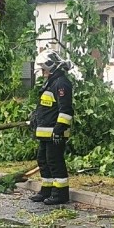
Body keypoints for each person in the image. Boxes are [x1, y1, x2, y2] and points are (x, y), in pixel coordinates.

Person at [29, 50, 74, 205]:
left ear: (51, 67)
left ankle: (60, 193)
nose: (43, 72)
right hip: (46, 132)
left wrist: (59, 129)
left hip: (55, 132)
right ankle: (47, 189)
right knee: (43, 160)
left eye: (44, 69)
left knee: (55, 161)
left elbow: (66, 110)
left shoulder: (61, 83)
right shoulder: (52, 82)